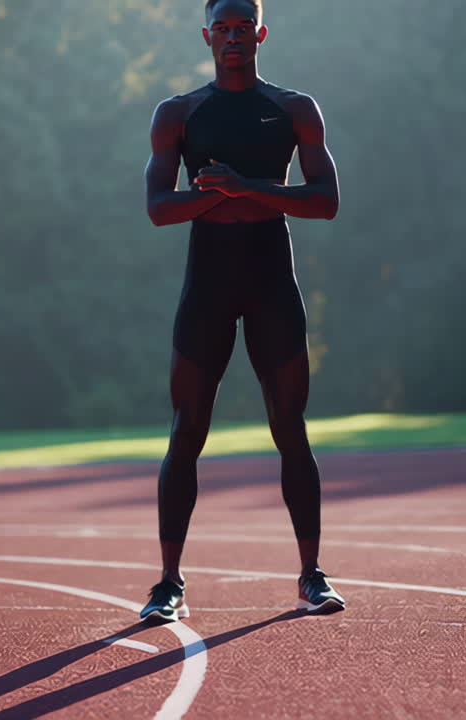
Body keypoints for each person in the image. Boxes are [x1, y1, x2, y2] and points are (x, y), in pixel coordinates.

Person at [139, 0, 345, 622]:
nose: (232, 38)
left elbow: (327, 201)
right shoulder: (177, 114)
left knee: (291, 428)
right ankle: (168, 585)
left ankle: (312, 575)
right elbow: (157, 207)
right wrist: (220, 198)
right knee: (187, 431)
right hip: (207, 285)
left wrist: (246, 188)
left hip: (270, 282)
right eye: (221, 29)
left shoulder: (293, 110)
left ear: (260, 32)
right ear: (207, 36)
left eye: (241, 27)